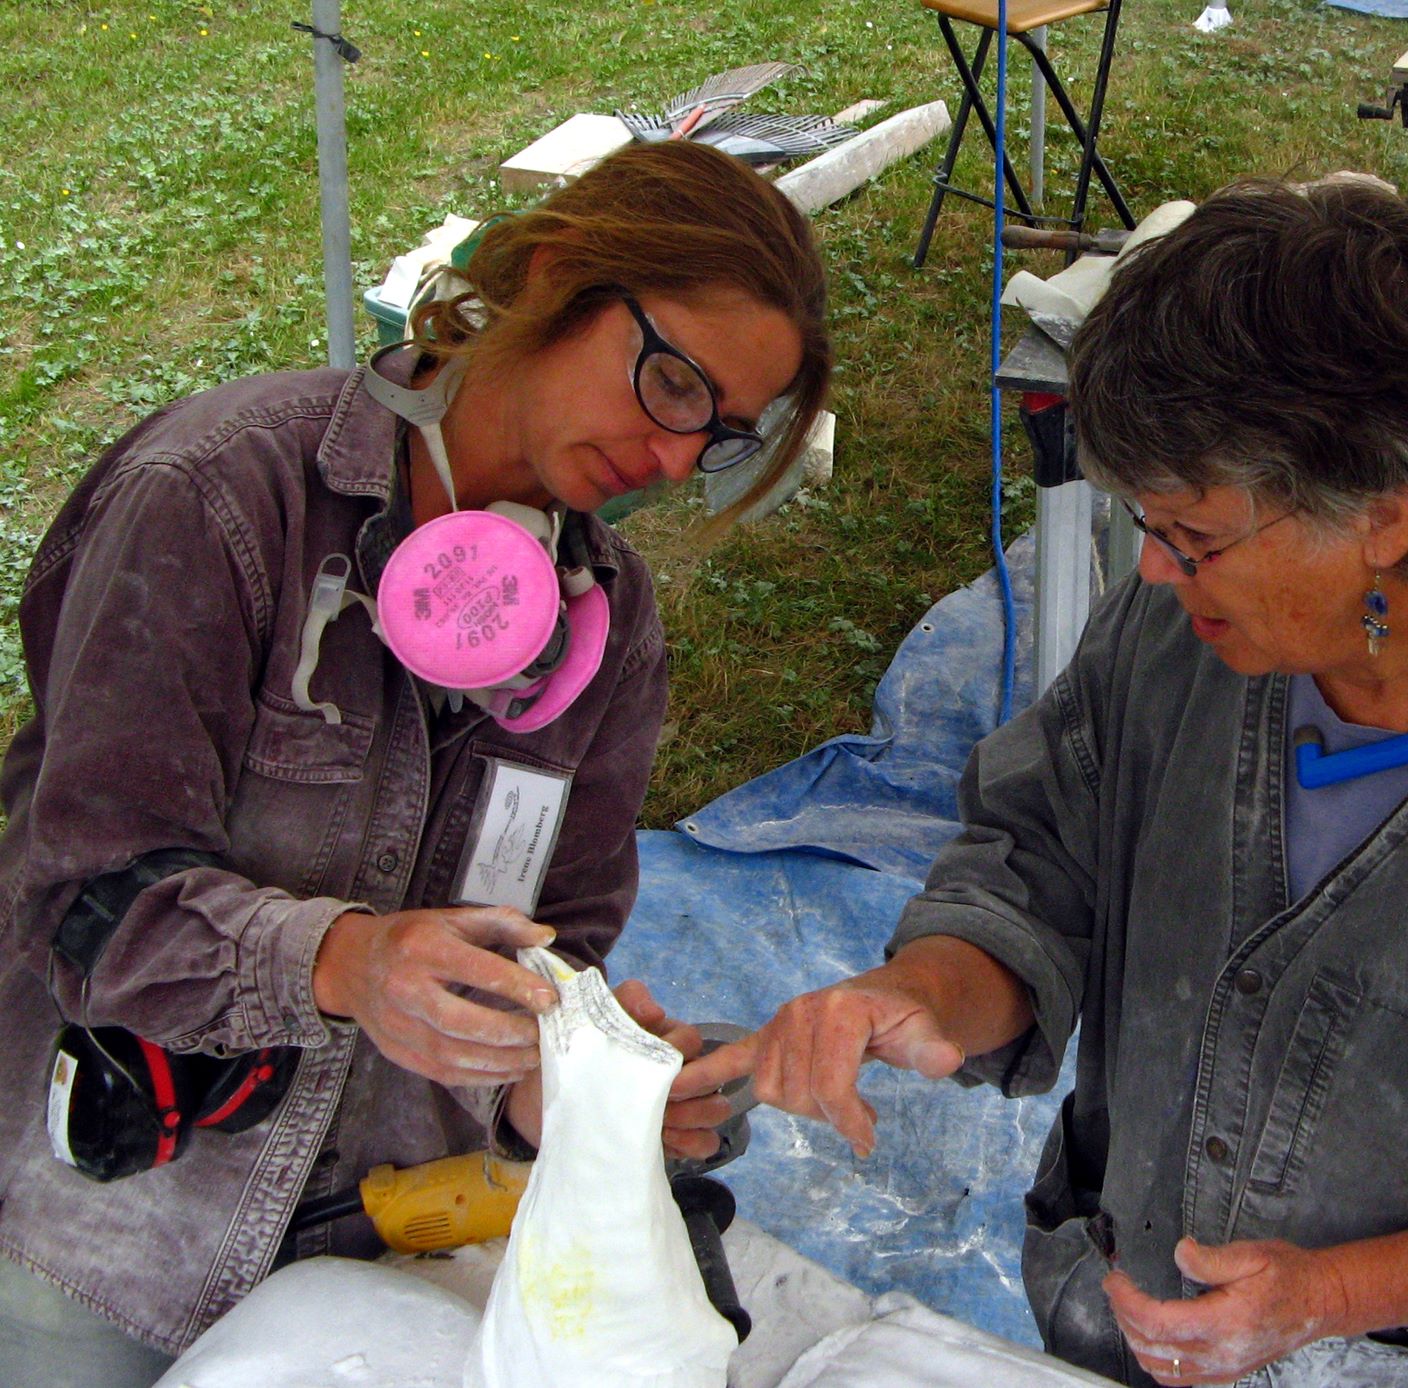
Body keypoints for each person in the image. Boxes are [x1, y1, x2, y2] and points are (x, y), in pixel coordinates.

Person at [676, 178, 1408, 1387]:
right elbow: (1039, 861)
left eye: (1193, 534)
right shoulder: (1174, 636)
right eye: (1142, 521)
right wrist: (925, 988)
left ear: (1387, 514)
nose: (1150, 566)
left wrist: (1325, 1295)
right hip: (1121, 1317)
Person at [0, 139, 828, 1384]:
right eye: (669, 383)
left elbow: (557, 938)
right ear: (557, 276)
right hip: (107, 1236)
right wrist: (345, 958)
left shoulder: (610, 623)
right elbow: (78, 896)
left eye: (718, 433)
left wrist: (561, 1081)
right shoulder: (221, 502)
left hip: (365, 1241)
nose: (671, 456)